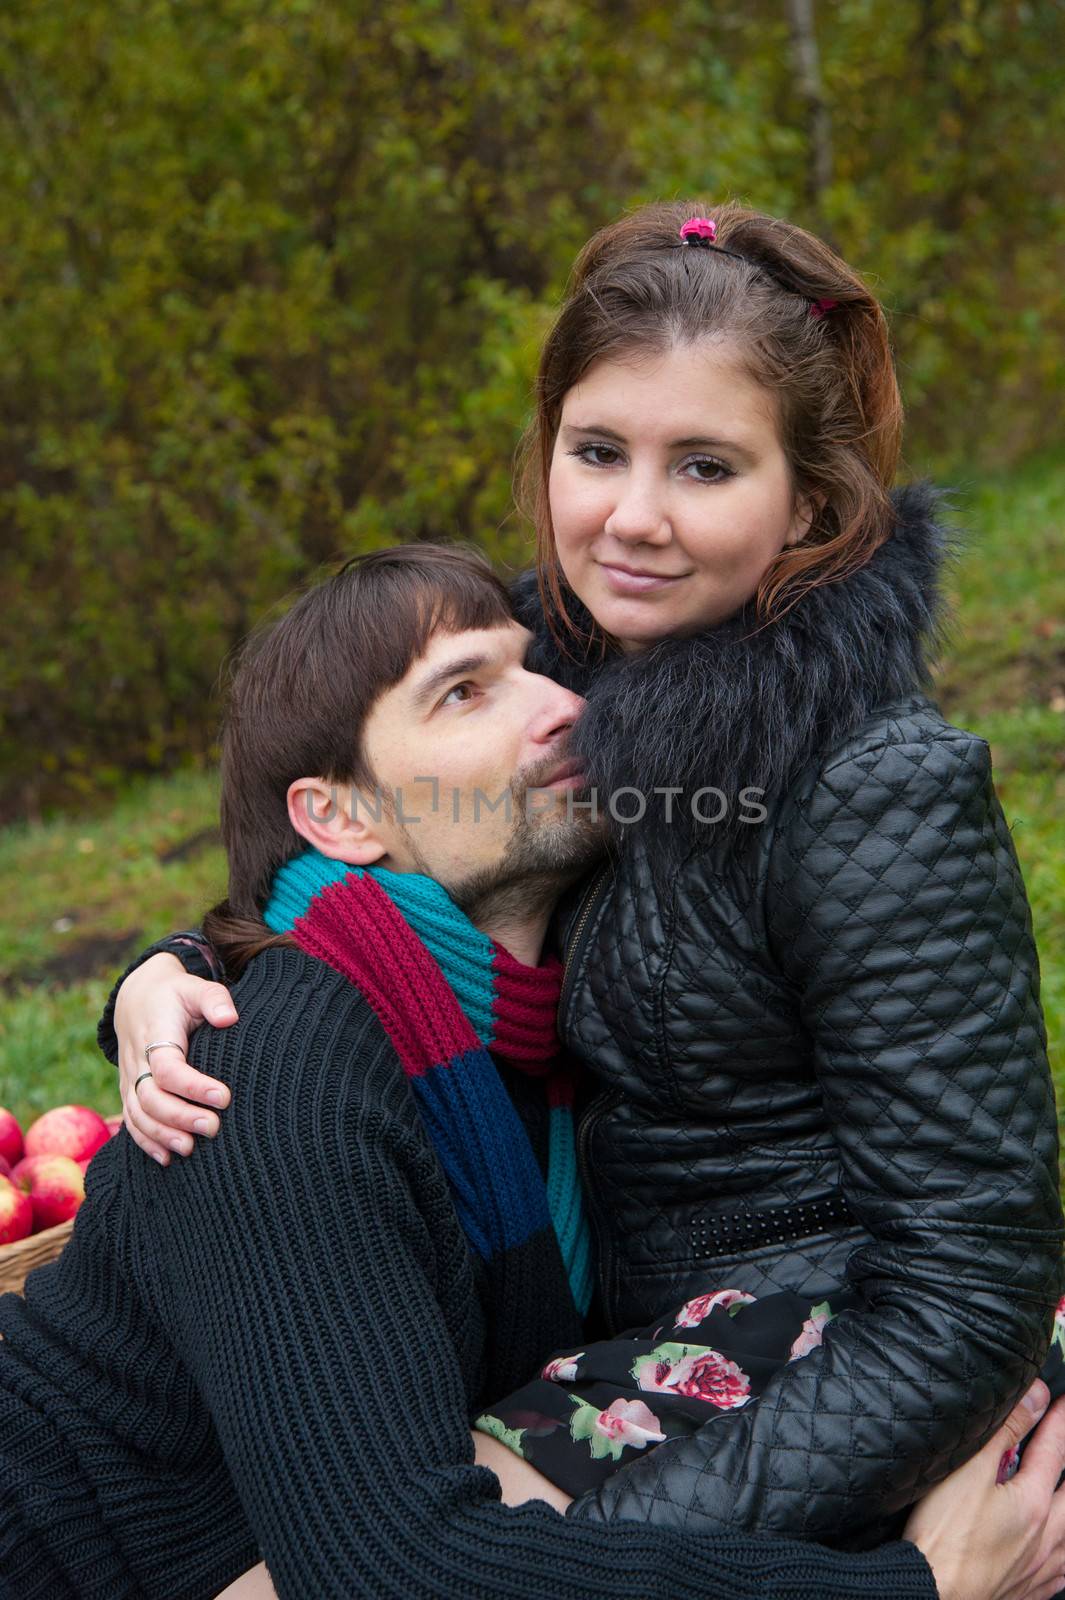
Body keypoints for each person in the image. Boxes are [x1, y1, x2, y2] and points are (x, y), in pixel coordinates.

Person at [107, 202, 1063, 1548]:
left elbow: (968, 1283)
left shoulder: (869, 786)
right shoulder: (557, 664)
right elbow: (365, 838)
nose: (633, 519)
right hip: (611, 1320)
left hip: (835, 1339)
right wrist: (175, 970)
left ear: (810, 501)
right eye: (597, 451)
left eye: (707, 469)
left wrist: (615, 1551)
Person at [4, 543, 1034, 1600]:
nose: (559, 706)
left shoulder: (552, 1030)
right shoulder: (270, 1070)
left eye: (536, 665)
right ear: (342, 817)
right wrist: (926, 1588)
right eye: (464, 693)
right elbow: (391, 1574)